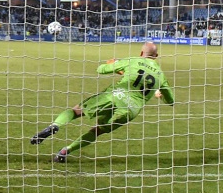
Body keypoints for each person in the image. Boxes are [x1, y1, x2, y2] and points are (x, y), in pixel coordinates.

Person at [30, 41, 174, 163]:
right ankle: (64, 152)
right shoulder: (161, 76)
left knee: (77, 111)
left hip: (114, 96)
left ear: (141, 53)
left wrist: (114, 64)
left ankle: (55, 125)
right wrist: (161, 95)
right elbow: (171, 101)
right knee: (97, 131)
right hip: (130, 109)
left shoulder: (133, 60)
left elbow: (101, 70)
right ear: (156, 56)